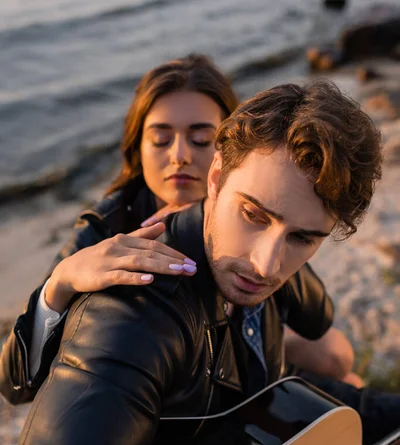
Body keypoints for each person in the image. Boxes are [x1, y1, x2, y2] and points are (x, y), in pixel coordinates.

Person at [0, 79, 390, 445]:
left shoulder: (255, 279)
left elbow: (265, 395)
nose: (267, 264)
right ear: (218, 177)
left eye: (303, 238)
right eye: (254, 215)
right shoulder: (133, 304)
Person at [0, 54, 357, 410]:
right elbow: (14, 386)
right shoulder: (108, 227)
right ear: (137, 148)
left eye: (202, 140)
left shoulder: (265, 217)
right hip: (173, 397)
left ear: (231, 152)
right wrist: (60, 284)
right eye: (160, 140)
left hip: (242, 374)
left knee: (338, 357)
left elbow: (316, 318)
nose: (180, 155)